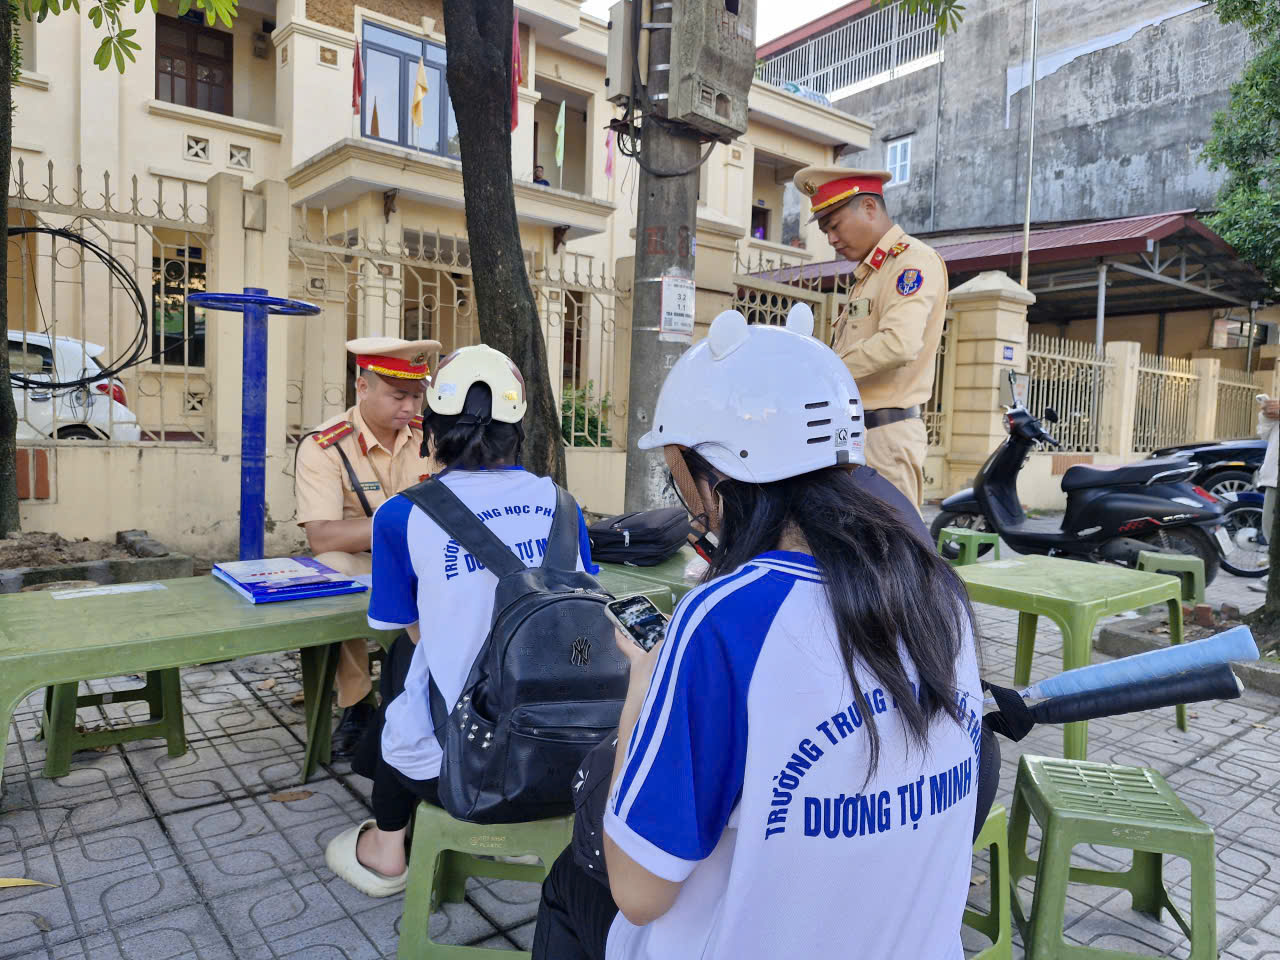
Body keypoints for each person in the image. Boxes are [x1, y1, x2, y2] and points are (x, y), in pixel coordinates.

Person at [532, 310, 983, 960]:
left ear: (714, 475)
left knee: (572, 880)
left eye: (678, 476)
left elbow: (639, 892)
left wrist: (643, 684)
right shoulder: (939, 586)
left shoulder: (724, 619)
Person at [323, 344, 599, 896]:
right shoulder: (564, 505)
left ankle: (386, 852)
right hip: (573, 758)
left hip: (466, 770)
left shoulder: (402, 515)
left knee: (408, 670)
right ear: (520, 426)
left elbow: (407, 626)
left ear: (431, 425)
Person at [294, 336, 441, 756]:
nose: (411, 408)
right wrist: (397, 522)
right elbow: (322, 535)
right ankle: (357, 702)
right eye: (399, 396)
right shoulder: (325, 446)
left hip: (427, 561)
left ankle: (442, 685)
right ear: (362, 387)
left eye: (417, 396)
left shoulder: (429, 438)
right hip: (368, 566)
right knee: (332, 566)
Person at [792, 164, 948, 510]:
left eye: (834, 225)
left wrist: (823, 369)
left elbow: (899, 344)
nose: (831, 239)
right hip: (855, 437)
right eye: (824, 230)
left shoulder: (912, 263)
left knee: (892, 555)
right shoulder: (870, 275)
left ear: (869, 208)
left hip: (884, 440)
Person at [1251, 395, 1280, 592]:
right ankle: (1274, 579)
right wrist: (1268, 415)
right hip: (1274, 477)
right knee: (1270, 529)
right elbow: (1265, 434)